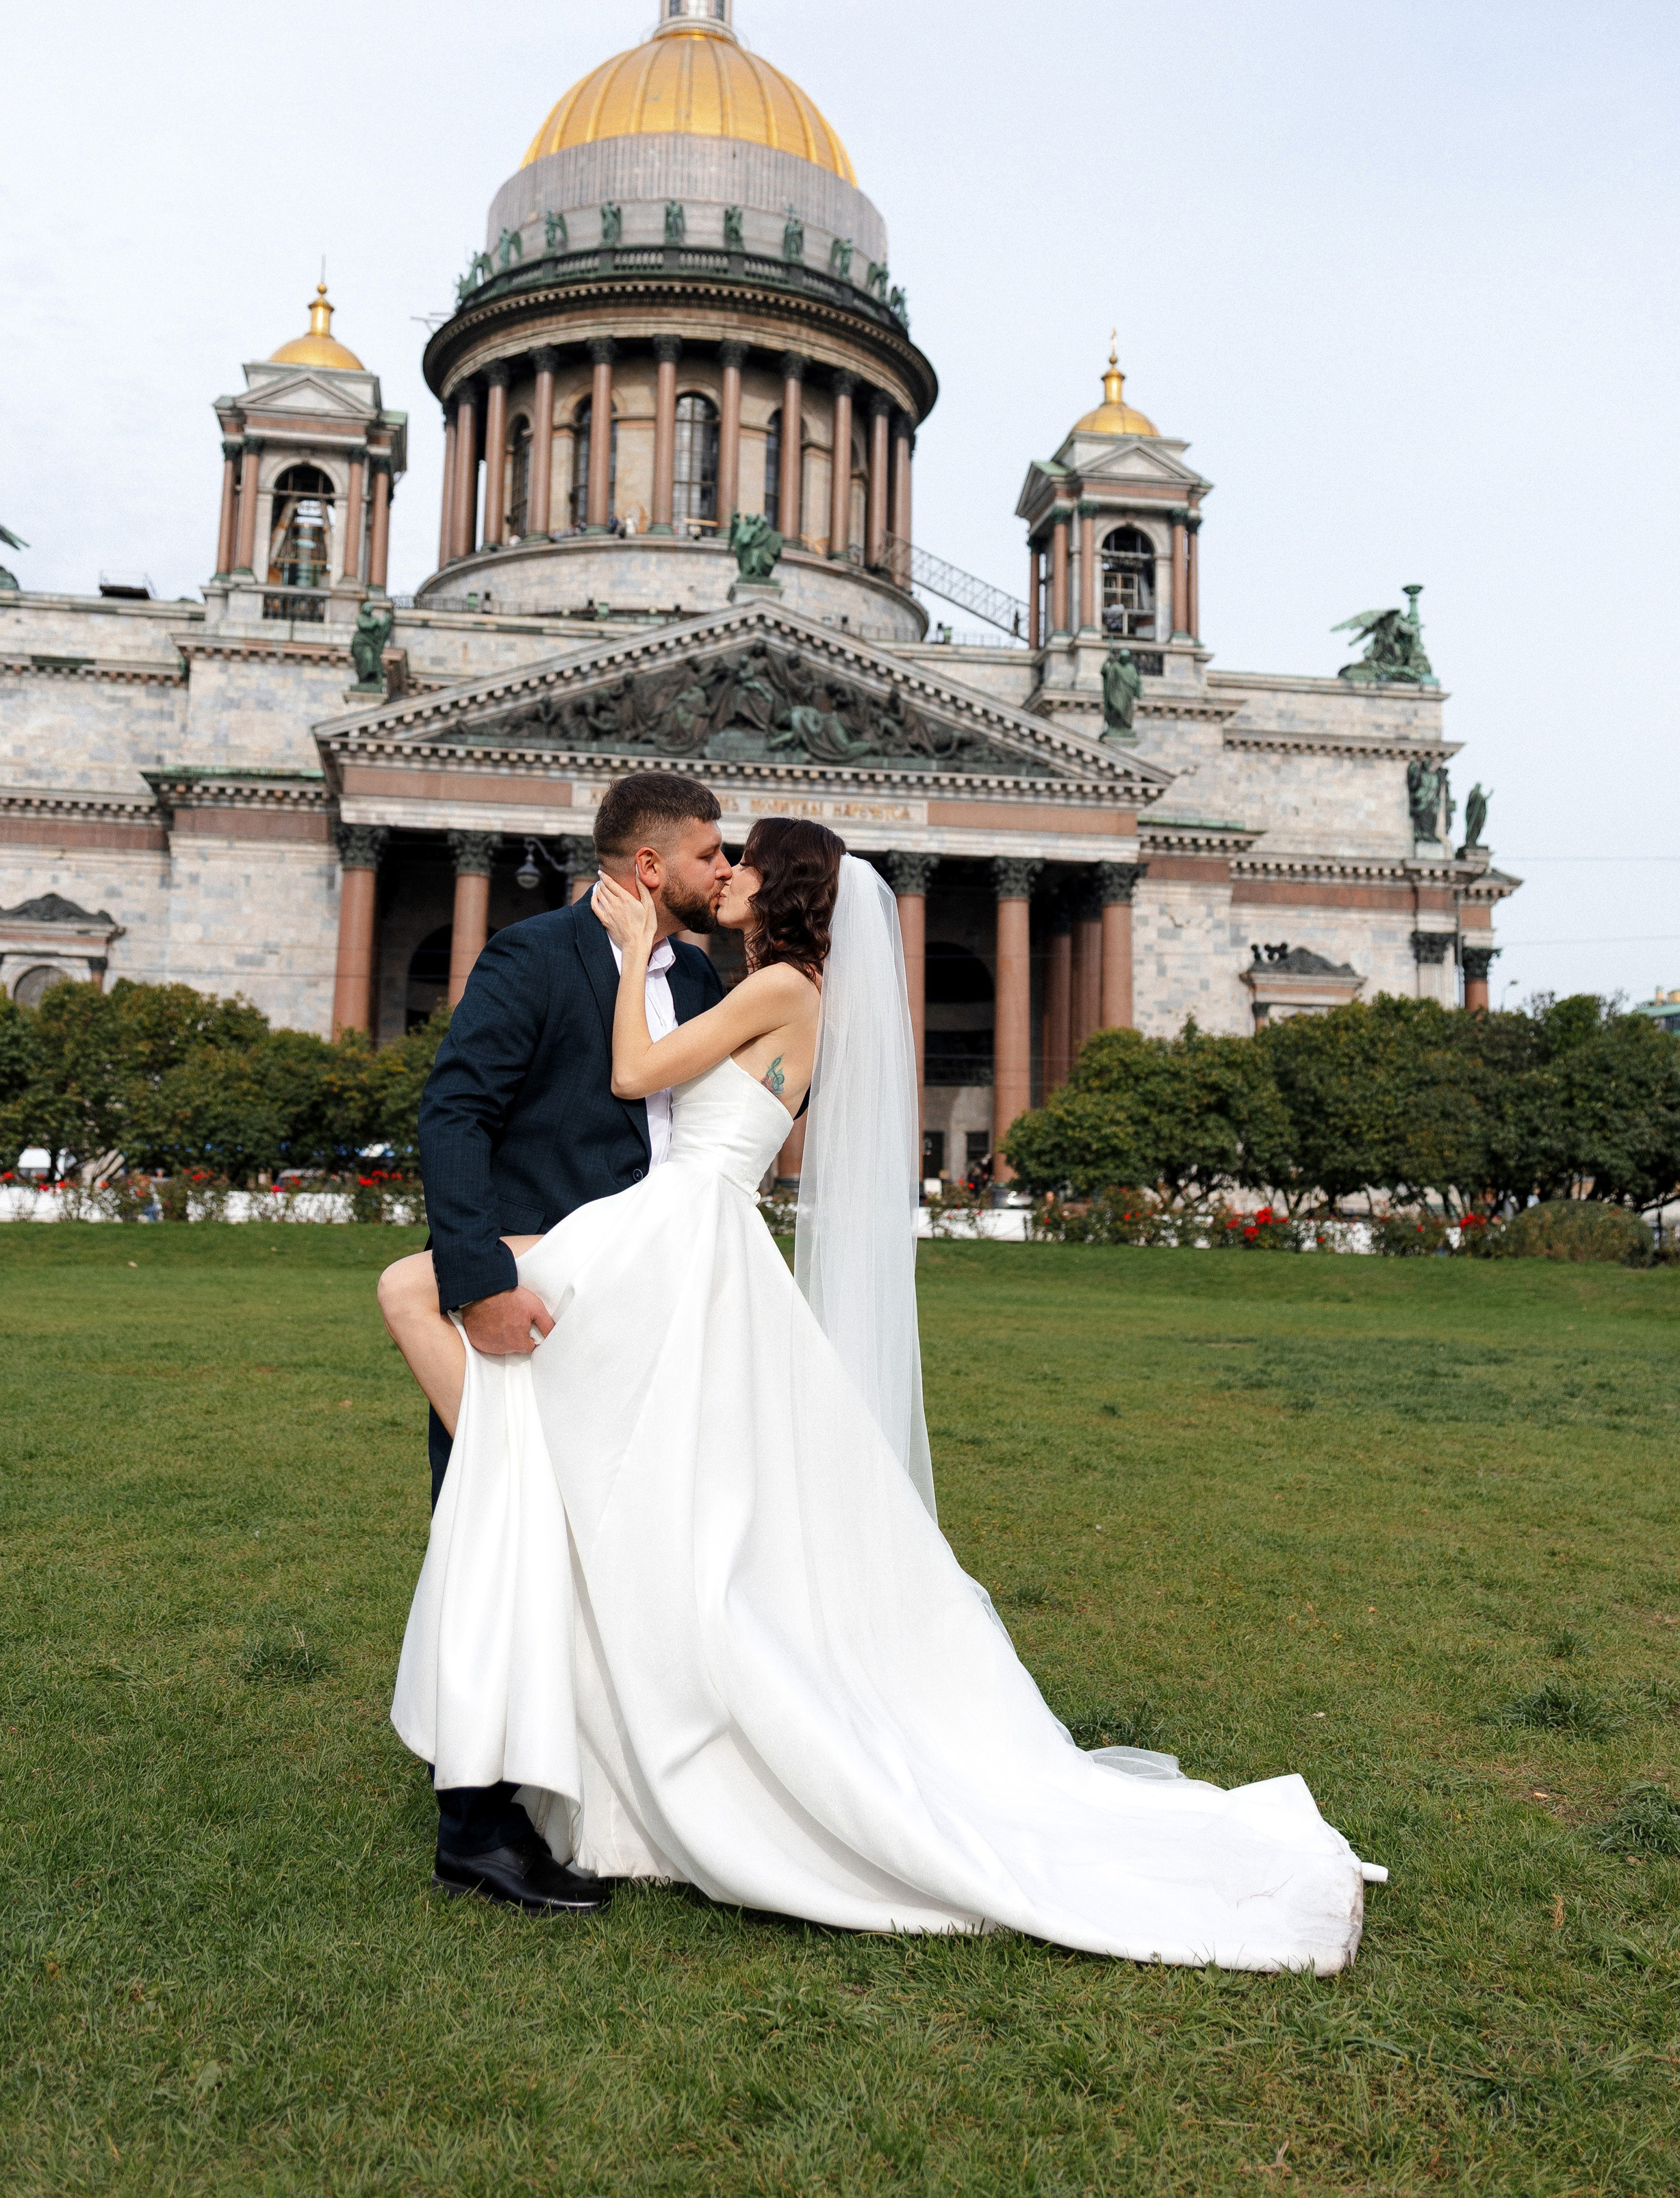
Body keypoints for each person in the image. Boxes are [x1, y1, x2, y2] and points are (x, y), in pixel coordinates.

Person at [381, 821, 1385, 1967]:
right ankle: (548, 1746)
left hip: (679, 1238)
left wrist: (630, 956)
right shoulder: (768, 985)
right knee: (581, 1447)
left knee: (482, 1368)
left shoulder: (769, 988)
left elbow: (632, 1076)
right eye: (714, 854)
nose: (727, 871)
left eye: (742, 860)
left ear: (779, 886)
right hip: (675, 1238)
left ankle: (535, 1712)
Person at [407, 767, 730, 1911]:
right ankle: (476, 1827)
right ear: (650, 864)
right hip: (533, 1306)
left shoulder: (701, 974)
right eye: (710, 854)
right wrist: (479, 1281)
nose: (724, 870)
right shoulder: (534, 957)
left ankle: (596, 1781)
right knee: (497, 1541)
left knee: (624, 1548)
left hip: (648, 1307)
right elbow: (455, 1112)